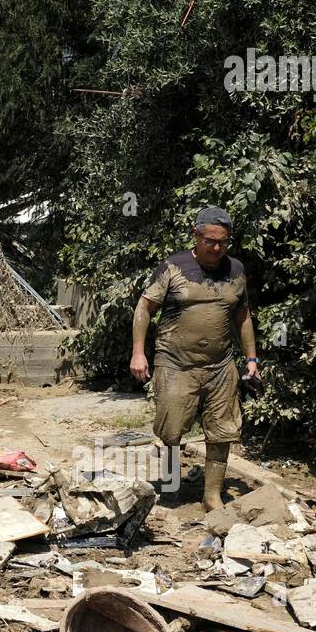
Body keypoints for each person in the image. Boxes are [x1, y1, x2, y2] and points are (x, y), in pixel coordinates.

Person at [129, 206, 260, 511]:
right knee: (171, 429)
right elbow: (144, 308)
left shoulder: (236, 270)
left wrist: (251, 359)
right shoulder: (172, 267)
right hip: (175, 363)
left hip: (220, 364)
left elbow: (243, 316)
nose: (216, 248)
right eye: (210, 241)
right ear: (196, 235)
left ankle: (211, 495)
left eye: (223, 243)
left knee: (222, 430)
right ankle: (171, 486)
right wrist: (139, 352)